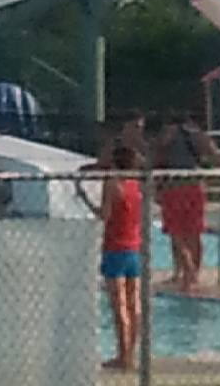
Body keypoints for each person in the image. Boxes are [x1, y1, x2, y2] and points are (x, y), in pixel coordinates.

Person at [154, 110, 218, 291]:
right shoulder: (197, 134)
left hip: (174, 186)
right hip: (195, 185)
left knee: (176, 233)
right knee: (194, 232)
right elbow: (213, 153)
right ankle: (193, 273)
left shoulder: (167, 134)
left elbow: (158, 157)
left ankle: (184, 270)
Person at [93, 144, 143, 372]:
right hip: (133, 247)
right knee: (135, 303)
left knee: (119, 304)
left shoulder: (112, 184)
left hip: (115, 247)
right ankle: (132, 353)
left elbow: (105, 214)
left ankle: (123, 356)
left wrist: (86, 201)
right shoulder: (136, 185)